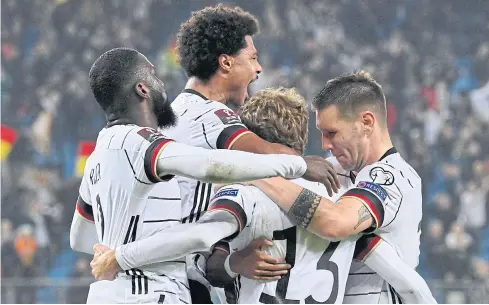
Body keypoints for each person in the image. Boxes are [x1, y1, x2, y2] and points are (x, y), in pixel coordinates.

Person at [90, 87, 435, 304]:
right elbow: (407, 280)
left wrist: (122, 256)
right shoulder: (341, 191)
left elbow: (199, 242)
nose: (326, 147)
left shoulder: (244, 194)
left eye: (332, 134)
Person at [69, 47, 337, 304]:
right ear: (142, 88)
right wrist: (298, 165)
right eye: (154, 74)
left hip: (107, 294)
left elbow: (79, 238)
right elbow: (210, 166)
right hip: (150, 294)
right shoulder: (144, 143)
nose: (162, 81)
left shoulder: (98, 154)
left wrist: (117, 249)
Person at [160, 4, 339, 302]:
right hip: (185, 281)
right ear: (226, 63)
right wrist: (304, 164)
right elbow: (263, 152)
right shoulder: (209, 114)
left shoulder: (171, 114)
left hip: (165, 272)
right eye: (253, 58)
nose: (259, 69)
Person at [237, 72, 435, 303]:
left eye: (332, 133)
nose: (325, 144)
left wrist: (257, 174)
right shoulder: (329, 169)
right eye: (321, 133)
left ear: (367, 122)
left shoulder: (395, 179)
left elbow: (335, 223)